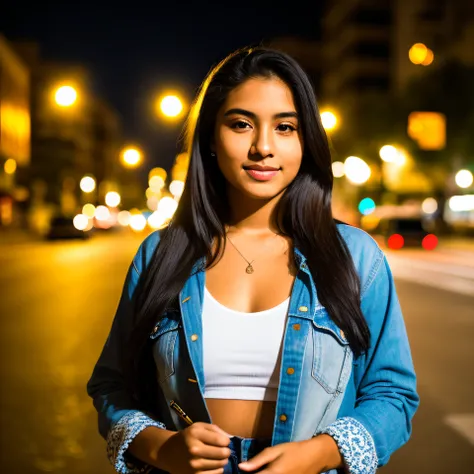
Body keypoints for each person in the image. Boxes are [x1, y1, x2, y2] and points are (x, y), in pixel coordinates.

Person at [87, 47, 419, 474]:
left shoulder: (354, 256)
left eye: (285, 127)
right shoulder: (160, 254)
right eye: (241, 124)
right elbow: (111, 385)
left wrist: (319, 453)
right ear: (210, 137)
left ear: (306, 140)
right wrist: (160, 447)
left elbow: (393, 394)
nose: (263, 147)